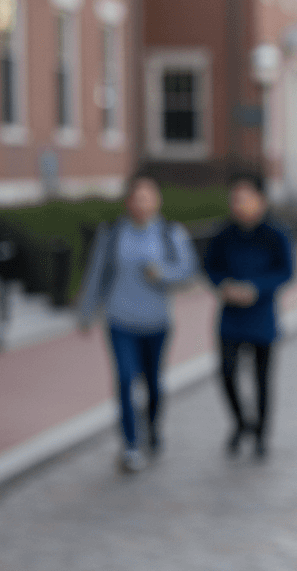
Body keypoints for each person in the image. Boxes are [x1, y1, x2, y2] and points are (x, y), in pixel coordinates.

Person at [78, 174, 197, 473]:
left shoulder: (171, 233)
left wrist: (163, 274)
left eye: (147, 197)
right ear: (128, 202)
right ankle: (130, 445)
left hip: (156, 321)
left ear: (157, 201)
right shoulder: (113, 234)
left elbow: (188, 272)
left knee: (153, 384)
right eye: (136, 198)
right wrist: (86, 311)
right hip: (120, 320)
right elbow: (97, 272)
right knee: (125, 379)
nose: (141, 204)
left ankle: (153, 428)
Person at [203, 173, 295, 459]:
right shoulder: (224, 234)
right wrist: (224, 285)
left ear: (261, 200)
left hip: (262, 315)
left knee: (262, 379)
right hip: (230, 316)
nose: (239, 204)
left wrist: (257, 288)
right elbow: (210, 266)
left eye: (245, 198)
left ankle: (261, 435)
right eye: (235, 199)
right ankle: (242, 422)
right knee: (226, 373)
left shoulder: (275, 234)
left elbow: (286, 271)